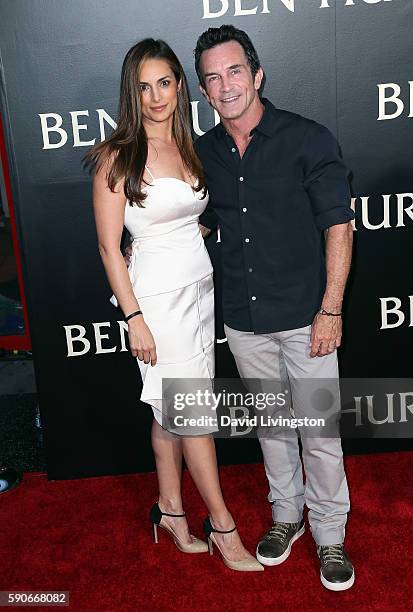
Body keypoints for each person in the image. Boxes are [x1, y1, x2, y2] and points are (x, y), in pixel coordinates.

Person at [84, 38, 262, 572]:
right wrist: (133, 317)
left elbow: (191, 216)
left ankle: (169, 510)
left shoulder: (194, 149)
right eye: (143, 86)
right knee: (195, 415)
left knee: (171, 412)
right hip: (157, 303)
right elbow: (107, 245)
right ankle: (224, 529)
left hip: (200, 293)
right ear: (131, 94)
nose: (155, 96)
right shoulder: (117, 157)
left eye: (164, 82)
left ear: (182, 86)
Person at [194, 25, 355, 591]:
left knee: (319, 430)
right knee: (272, 427)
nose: (225, 84)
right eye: (212, 77)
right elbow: (197, 219)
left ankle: (330, 534)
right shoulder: (204, 153)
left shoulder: (306, 139)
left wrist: (330, 308)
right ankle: (286, 517)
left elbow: (338, 223)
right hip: (243, 318)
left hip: (306, 316)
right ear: (205, 93)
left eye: (234, 70)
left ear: (257, 74)